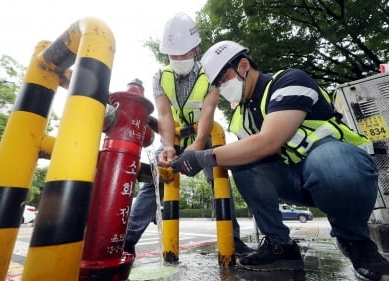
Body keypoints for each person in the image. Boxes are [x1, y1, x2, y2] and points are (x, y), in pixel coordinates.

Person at [171, 40, 389, 280]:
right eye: (216, 85)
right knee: (239, 160)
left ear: (244, 65)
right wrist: (189, 155)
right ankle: (280, 246)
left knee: (329, 159)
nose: (221, 88)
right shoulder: (240, 117)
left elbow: (268, 142)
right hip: (296, 182)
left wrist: (202, 158)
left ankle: (355, 242)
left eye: (222, 80)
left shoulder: (289, 81)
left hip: (340, 171)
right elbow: (250, 155)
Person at [124, 15, 252, 258]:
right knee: (155, 179)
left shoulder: (210, 74)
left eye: (184, 54)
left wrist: (196, 144)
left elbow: (208, 111)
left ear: (196, 49)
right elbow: (163, 114)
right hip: (173, 136)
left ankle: (232, 239)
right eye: (173, 55)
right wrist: (168, 145)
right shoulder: (160, 76)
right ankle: (129, 239)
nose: (178, 59)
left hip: (205, 136)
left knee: (218, 180)